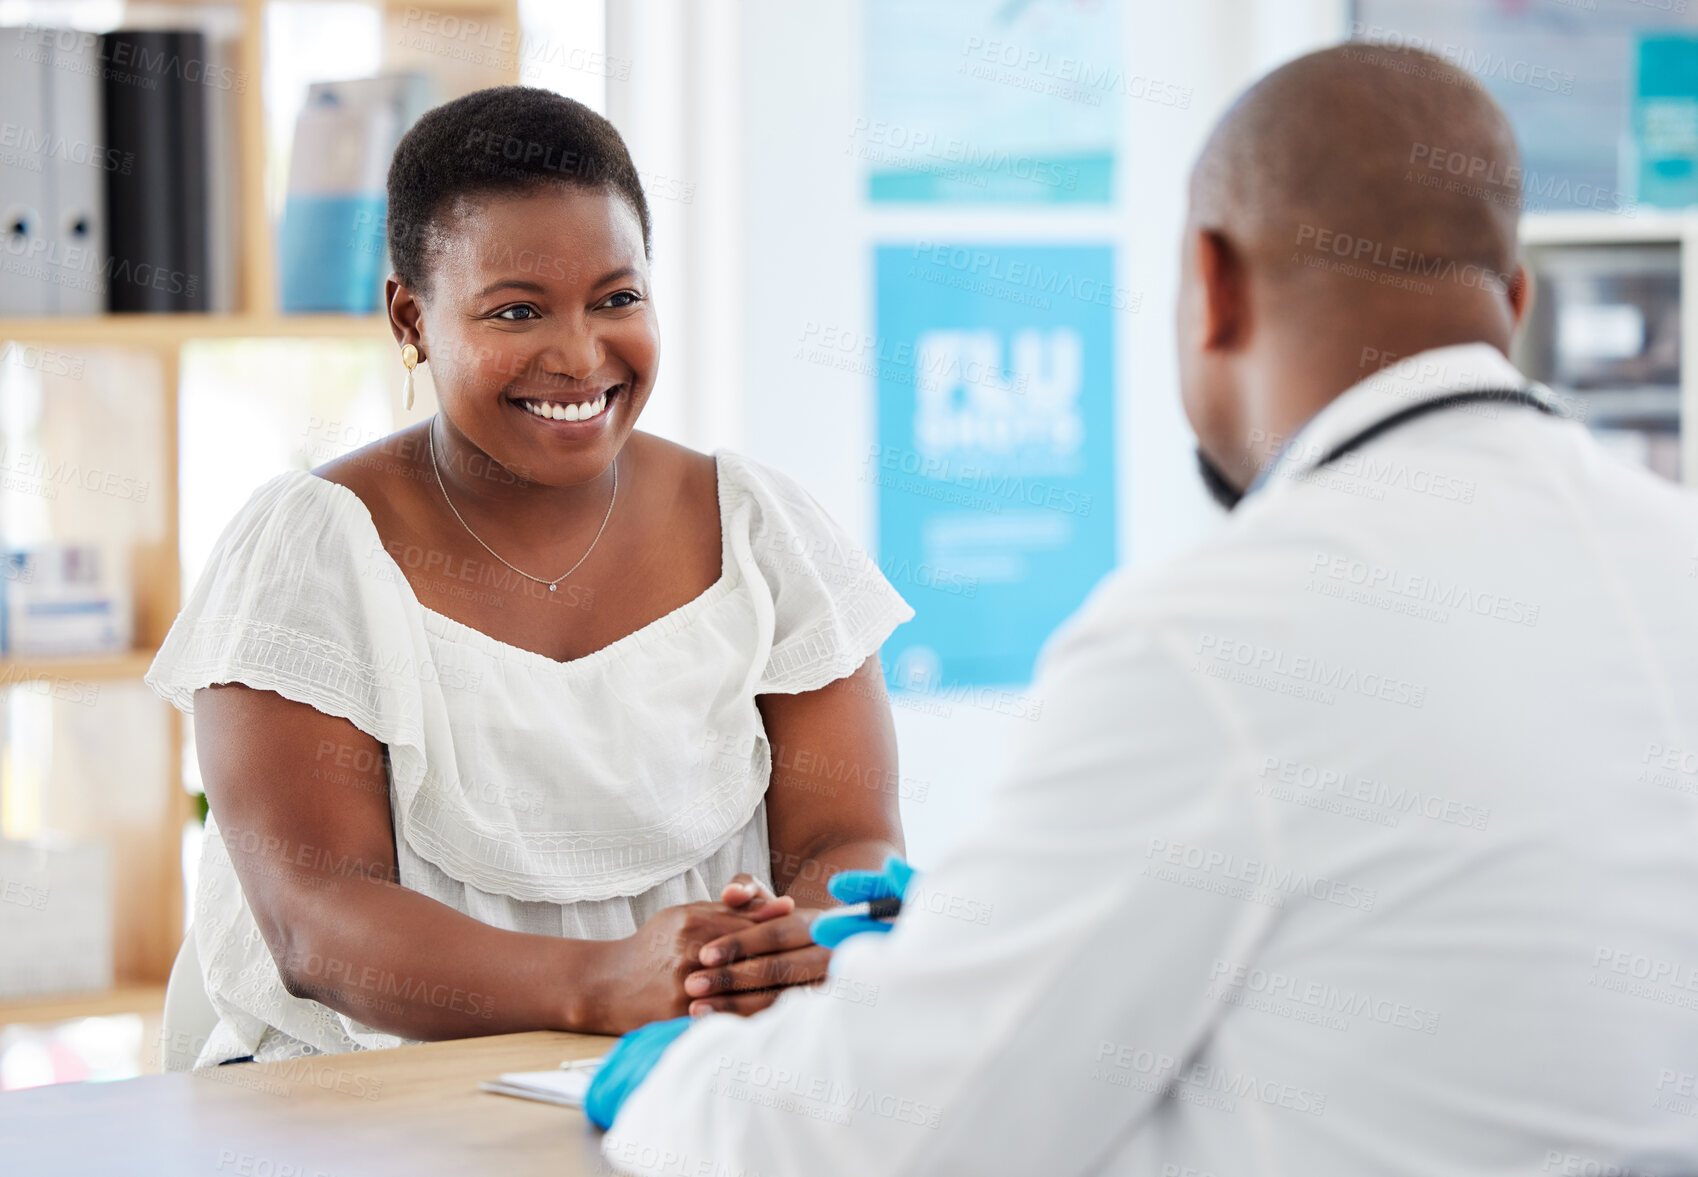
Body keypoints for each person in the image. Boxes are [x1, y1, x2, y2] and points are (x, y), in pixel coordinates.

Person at [592, 45, 1698, 1175]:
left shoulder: (1220, 635)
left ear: (1212, 283)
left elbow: (862, 1135)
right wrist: (1008, 926)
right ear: (1513, 304)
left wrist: (668, 1078)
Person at [144, 87, 913, 1066]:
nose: (581, 355)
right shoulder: (311, 549)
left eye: (618, 298)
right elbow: (315, 921)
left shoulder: (761, 530)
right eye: (517, 310)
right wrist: (601, 987)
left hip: (693, 1071)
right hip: (366, 1097)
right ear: (411, 318)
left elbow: (849, 839)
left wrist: (773, 957)